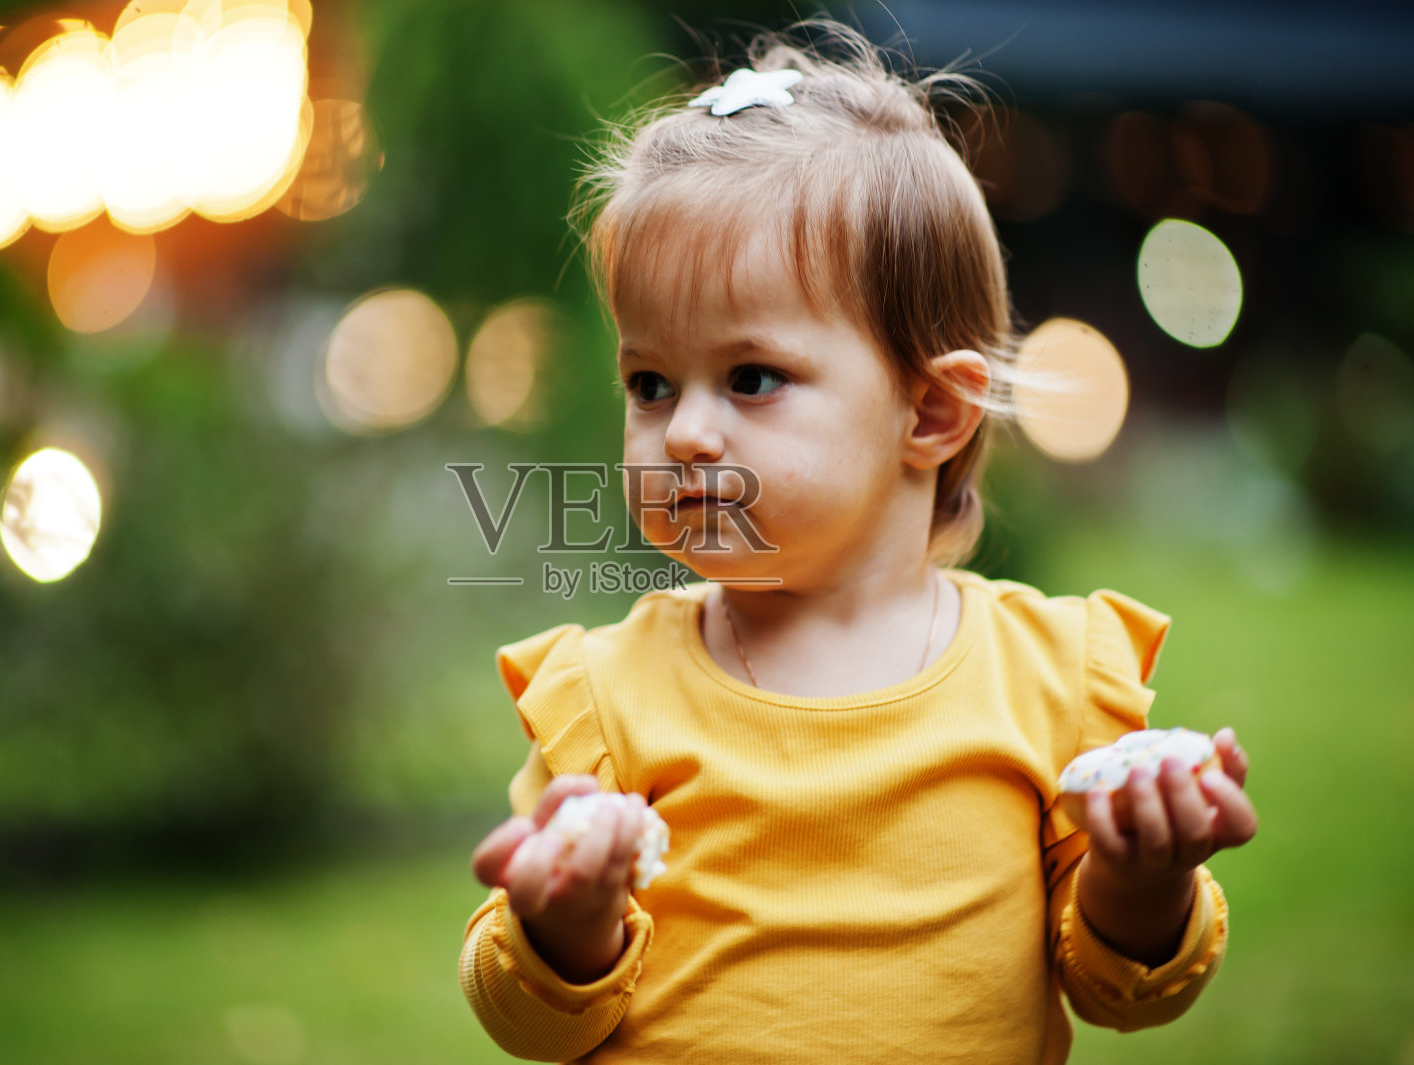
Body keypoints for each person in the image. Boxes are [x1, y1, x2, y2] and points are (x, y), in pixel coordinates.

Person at [459, 21, 1258, 1064]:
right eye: (649, 382)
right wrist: (562, 926)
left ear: (928, 413)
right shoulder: (609, 701)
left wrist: (1142, 881)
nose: (685, 430)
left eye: (750, 376)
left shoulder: (1051, 685)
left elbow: (1121, 994)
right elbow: (522, 1020)